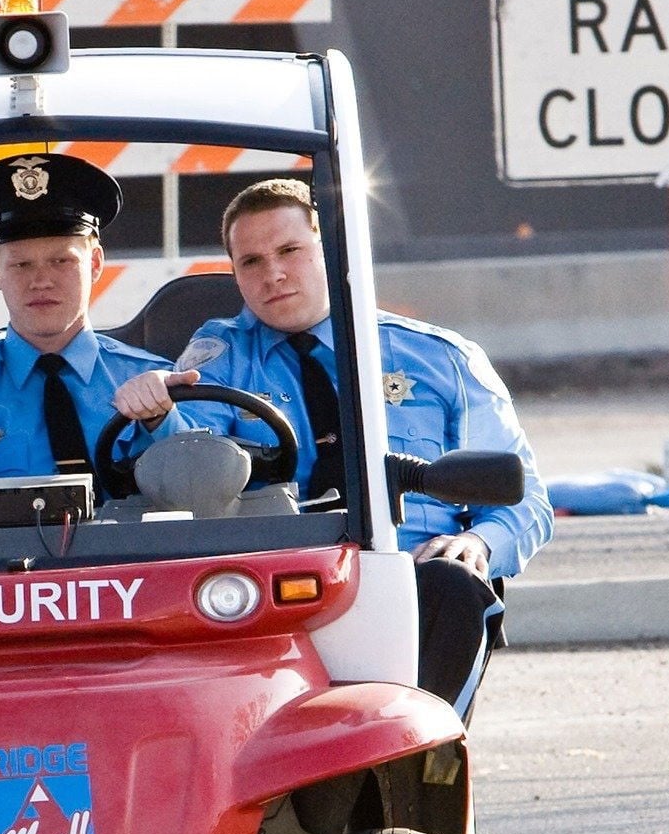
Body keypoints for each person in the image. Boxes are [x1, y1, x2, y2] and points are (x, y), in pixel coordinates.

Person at [112, 178, 552, 720]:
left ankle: (417, 760)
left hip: (411, 579)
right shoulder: (216, 360)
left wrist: (480, 545)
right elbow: (188, 475)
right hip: (276, 593)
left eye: (289, 251)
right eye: (250, 262)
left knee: (454, 584)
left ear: (331, 249)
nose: (272, 274)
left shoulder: (441, 359)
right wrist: (158, 415)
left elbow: (524, 500)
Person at [0, 153, 181, 485]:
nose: (41, 281)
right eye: (21, 265)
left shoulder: (150, 381)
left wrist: (162, 420)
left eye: (61, 261)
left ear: (94, 264)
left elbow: (200, 494)